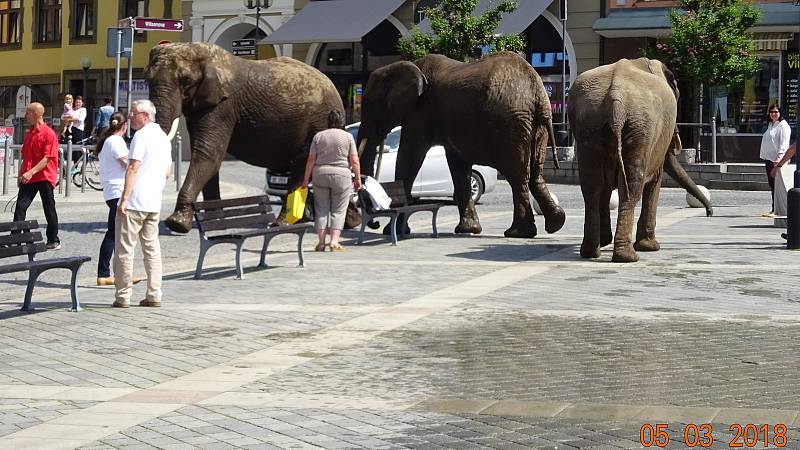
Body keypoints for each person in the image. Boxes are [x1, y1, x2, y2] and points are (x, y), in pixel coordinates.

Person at [112, 100, 172, 308]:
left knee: (124, 250)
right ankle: (154, 294)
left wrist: (125, 198)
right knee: (152, 250)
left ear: (146, 115)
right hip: (153, 203)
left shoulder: (141, 136)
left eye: (134, 113)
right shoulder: (164, 138)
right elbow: (167, 172)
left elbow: (133, 167)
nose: (130, 116)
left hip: (135, 201)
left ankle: (123, 296)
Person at [301, 110, 361, 252]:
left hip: (320, 173)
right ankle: (334, 241)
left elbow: (311, 160)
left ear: (328, 121)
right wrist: (357, 178)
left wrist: (305, 180)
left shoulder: (318, 137)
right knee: (339, 210)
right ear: (342, 121)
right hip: (341, 175)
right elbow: (354, 160)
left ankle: (321, 243)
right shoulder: (348, 137)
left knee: (321, 209)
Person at [96, 112, 143, 287]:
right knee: (115, 234)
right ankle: (109, 274)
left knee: (114, 233)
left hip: (112, 191)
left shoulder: (109, 141)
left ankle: (112, 273)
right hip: (117, 191)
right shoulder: (115, 141)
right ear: (124, 126)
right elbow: (128, 164)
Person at [14, 102, 60, 249]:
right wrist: (21, 173)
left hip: (44, 176)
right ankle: (16, 238)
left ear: (36, 114)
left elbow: (48, 158)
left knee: (49, 207)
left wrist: (31, 171)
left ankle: (53, 239)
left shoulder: (49, 134)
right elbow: (26, 156)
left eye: (28, 113)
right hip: (29, 176)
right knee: (20, 206)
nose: (26, 116)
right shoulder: (29, 133)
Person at [759, 104, 791, 218]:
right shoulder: (770, 125)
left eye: (776, 112)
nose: (774, 114)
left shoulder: (783, 125)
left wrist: (779, 160)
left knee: (778, 185)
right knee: (772, 185)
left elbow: (784, 144)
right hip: (769, 159)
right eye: (772, 112)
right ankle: (774, 207)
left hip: (777, 160)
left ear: (780, 113)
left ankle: (778, 208)